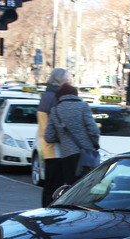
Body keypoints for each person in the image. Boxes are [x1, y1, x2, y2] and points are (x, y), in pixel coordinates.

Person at [45, 83, 100, 185]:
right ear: (75, 94)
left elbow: (48, 137)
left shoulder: (55, 111)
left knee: (71, 187)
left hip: (67, 155)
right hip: (86, 154)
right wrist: (95, 143)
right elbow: (93, 130)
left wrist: (62, 138)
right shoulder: (83, 106)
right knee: (87, 186)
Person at [37, 68, 69, 207]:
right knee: (54, 185)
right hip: (54, 148)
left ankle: (46, 209)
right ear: (60, 80)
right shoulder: (54, 97)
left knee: (50, 183)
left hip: (48, 148)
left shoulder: (47, 96)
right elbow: (54, 125)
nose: (68, 81)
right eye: (67, 78)